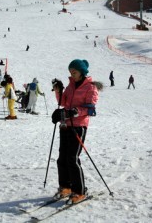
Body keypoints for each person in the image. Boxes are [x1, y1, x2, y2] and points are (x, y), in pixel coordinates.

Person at [51, 59, 99, 204]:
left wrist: (75, 111)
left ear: (82, 72)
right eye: (71, 71)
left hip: (78, 126)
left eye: (75, 71)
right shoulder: (70, 86)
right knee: (62, 158)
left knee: (72, 158)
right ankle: (65, 187)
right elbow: (64, 102)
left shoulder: (90, 87)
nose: (72, 74)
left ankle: (79, 191)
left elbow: (91, 109)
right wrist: (59, 91)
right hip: (66, 125)